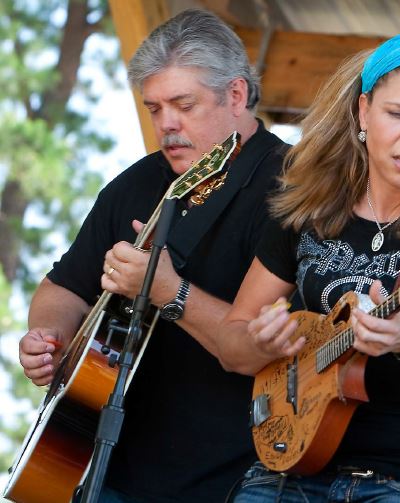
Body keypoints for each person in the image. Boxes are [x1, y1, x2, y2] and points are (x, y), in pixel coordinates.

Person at [218, 33, 400, 502]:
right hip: (287, 467)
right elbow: (232, 348)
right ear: (363, 111)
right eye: (397, 113)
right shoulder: (308, 206)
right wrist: (259, 341)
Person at [17, 9, 288, 503]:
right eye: (154, 108)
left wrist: (169, 290)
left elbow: (279, 346)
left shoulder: (290, 190)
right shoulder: (138, 182)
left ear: (236, 94)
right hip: (106, 468)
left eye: (183, 104)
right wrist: (50, 337)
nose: (167, 125)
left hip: (236, 479)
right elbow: (62, 288)